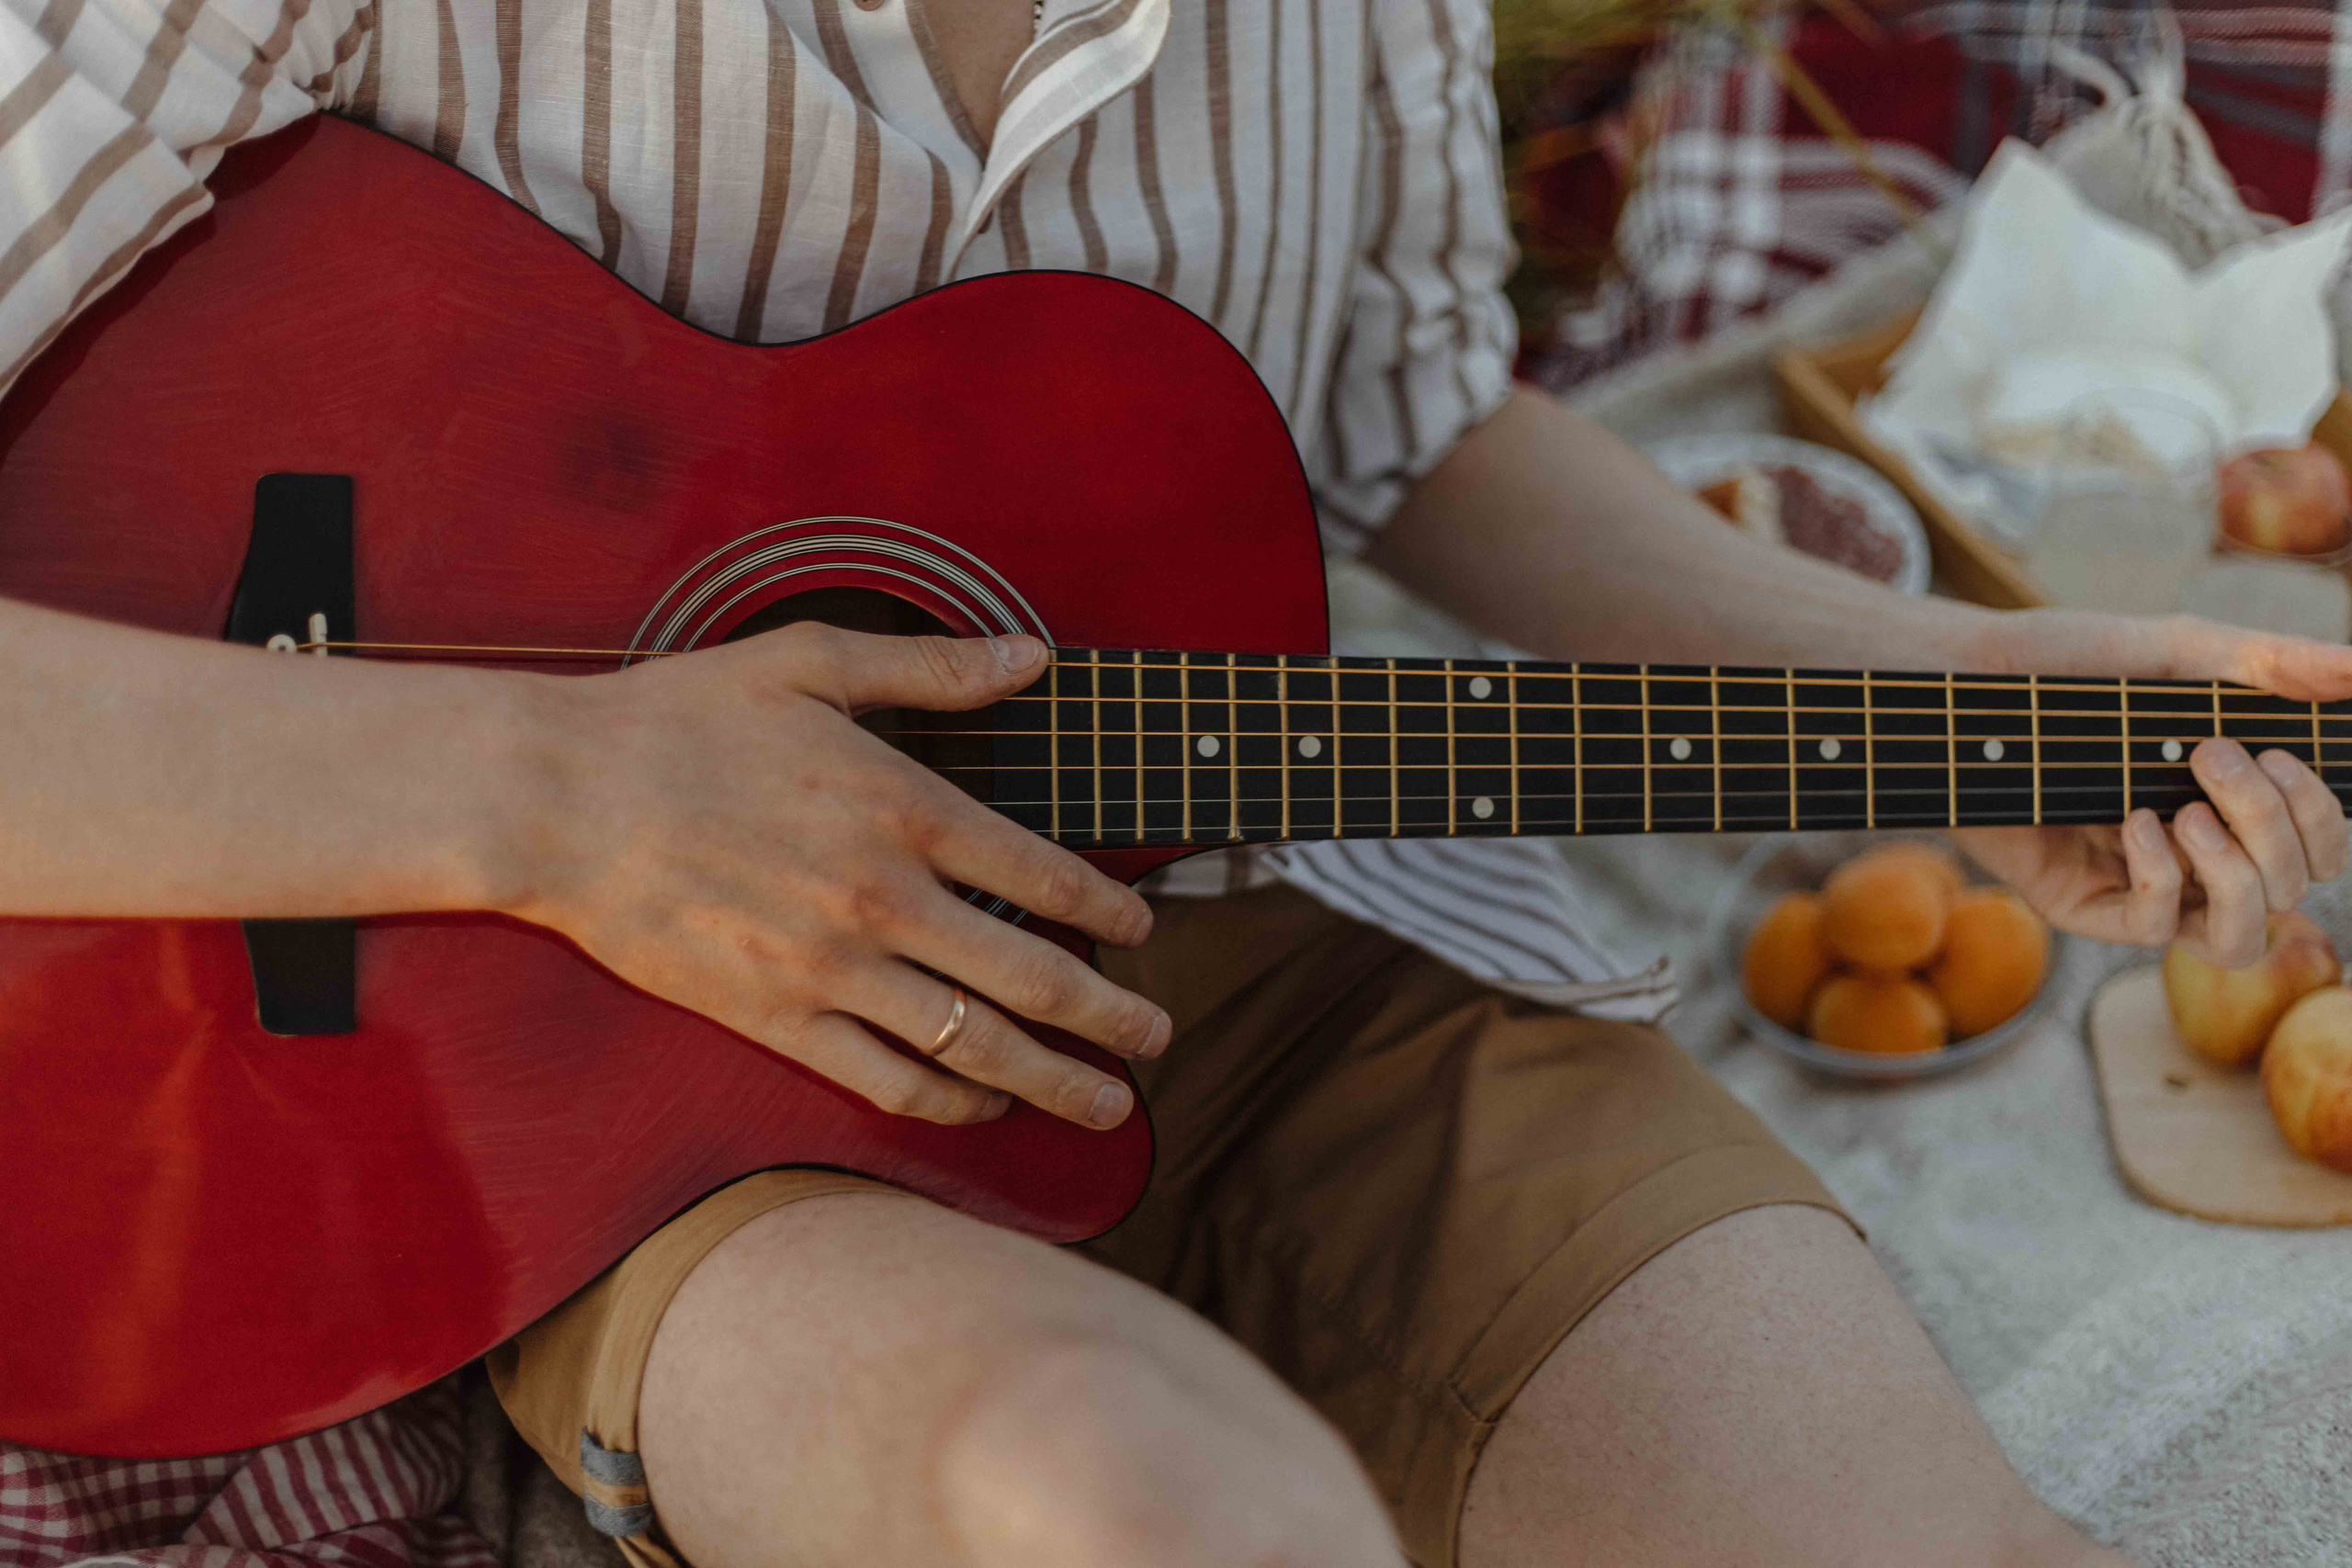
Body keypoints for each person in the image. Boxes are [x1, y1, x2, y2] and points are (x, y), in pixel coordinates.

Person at [0, 0, 2340, 1564]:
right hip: (641, 1095)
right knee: (1144, 1506)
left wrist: (1952, 696)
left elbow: (1411, 419)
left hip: (1279, 945)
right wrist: (566, 792)